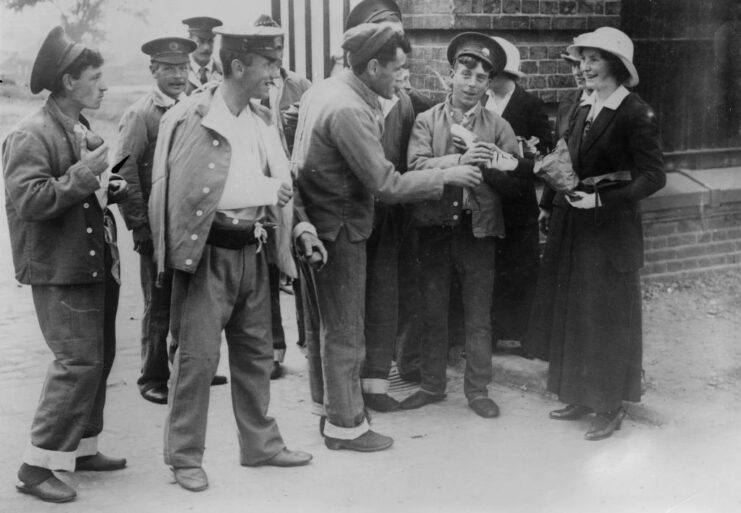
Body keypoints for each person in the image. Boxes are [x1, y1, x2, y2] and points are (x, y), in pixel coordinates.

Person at [292, 22, 482, 451]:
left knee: (324, 324)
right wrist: (447, 175)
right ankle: (346, 426)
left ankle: (328, 407)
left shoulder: (323, 90)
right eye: (398, 68)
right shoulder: (351, 109)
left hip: (314, 225)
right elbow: (386, 184)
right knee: (345, 328)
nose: (403, 77)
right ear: (373, 66)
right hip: (340, 228)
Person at [148, 25, 313, 492]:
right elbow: (182, 196)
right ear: (239, 65)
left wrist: (296, 225)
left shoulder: (260, 117)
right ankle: (183, 457)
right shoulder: (193, 116)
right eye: (268, 64)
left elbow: (282, 183)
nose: (275, 74)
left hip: (252, 249)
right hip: (207, 256)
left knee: (256, 355)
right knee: (197, 360)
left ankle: (260, 443)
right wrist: (263, 191)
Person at [3, 26, 127, 503]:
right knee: (77, 363)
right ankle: (35, 467)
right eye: (95, 78)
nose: (103, 86)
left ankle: (79, 449)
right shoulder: (29, 134)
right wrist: (85, 176)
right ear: (70, 81)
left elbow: (78, 191)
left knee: (99, 359)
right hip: (59, 268)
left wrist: (106, 187)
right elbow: (30, 200)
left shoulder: (79, 128)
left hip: (90, 263)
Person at [527, 27, 666, 440]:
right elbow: (563, 159)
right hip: (573, 224)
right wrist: (549, 206)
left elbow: (654, 176)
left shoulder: (635, 112)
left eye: (593, 59)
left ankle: (608, 405)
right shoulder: (577, 104)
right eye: (581, 59)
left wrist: (604, 201)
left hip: (610, 231)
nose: (583, 67)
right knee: (574, 308)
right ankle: (578, 394)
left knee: (605, 315)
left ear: (616, 66)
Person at [400, 32, 518, 419]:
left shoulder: (498, 125)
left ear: (489, 85)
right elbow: (414, 166)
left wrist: (495, 162)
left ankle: (478, 390)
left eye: (481, 78)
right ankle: (432, 385)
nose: (471, 84)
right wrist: (455, 164)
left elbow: (517, 180)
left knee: (478, 315)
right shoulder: (426, 120)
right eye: (465, 74)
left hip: (478, 230)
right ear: (450, 76)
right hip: (435, 228)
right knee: (432, 310)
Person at [114, 37, 195, 405]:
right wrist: (139, 226)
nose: (178, 75)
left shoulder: (195, 105)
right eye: (169, 68)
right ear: (153, 71)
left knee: (191, 298)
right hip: (156, 227)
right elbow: (122, 173)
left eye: (183, 68)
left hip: (190, 224)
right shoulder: (139, 115)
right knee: (158, 302)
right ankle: (152, 376)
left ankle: (188, 369)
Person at [482, 36, 551, 352]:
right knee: (490, 268)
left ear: (508, 75)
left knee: (520, 268)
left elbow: (544, 159)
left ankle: (524, 336)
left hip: (517, 201)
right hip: (485, 200)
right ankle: (492, 333)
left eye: (492, 72)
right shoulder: (479, 102)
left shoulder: (530, 105)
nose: (487, 79)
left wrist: (517, 156)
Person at [253, 13, 312, 380]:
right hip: (261, 191)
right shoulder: (246, 86)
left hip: (294, 186)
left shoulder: (301, 85)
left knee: (302, 263)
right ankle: (273, 350)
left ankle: (309, 343)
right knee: (267, 271)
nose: (272, 54)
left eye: (276, 44)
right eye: (263, 46)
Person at [183, 16, 223, 94]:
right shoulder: (181, 72)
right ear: (190, 41)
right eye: (201, 41)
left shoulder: (224, 72)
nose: (206, 48)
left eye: (210, 41)